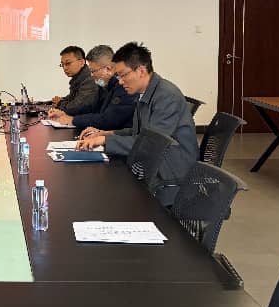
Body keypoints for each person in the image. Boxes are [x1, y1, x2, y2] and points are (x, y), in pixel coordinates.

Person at [76, 42, 198, 205]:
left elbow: (152, 143)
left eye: (123, 75)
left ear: (141, 71)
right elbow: (138, 132)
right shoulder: (146, 92)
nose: (120, 82)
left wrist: (105, 140)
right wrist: (107, 133)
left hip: (171, 171)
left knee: (105, 190)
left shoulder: (166, 96)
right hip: (156, 162)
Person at [47, 44, 137, 131]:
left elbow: (108, 120)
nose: (91, 75)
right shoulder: (105, 85)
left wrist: (73, 120)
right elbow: (91, 108)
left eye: (93, 71)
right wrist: (65, 114)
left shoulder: (124, 87)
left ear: (108, 69)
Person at [51, 45, 98, 115]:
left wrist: (60, 103)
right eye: (62, 64)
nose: (65, 68)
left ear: (82, 62)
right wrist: (60, 100)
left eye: (68, 63)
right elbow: (72, 98)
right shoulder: (78, 79)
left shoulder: (90, 80)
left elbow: (77, 108)